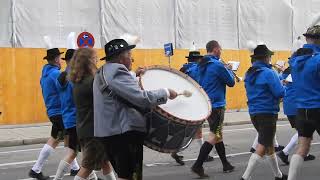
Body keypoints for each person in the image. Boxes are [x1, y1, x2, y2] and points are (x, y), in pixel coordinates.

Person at [93, 39, 178, 180]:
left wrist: (133, 74)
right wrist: (166, 92)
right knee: (132, 175)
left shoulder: (102, 72)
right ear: (121, 57)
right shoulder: (118, 71)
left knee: (124, 175)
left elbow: (117, 89)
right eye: (129, 53)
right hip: (123, 134)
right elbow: (141, 98)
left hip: (108, 132)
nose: (131, 57)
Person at [240, 44, 287, 180]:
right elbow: (279, 92)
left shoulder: (248, 73)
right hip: (267, 112)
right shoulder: (269, 73)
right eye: (269, 56)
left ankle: (278, 175)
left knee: (269, 144)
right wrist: (284, 86)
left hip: (254, 112)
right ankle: (245, 177)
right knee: (262, 146)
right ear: (266, 58)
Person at [191, 40, 235, 178]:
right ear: (216, 49)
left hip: (206, 104)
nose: (221, 51)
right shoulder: (217, 65)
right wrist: (228, 69)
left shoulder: (200, 65)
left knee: (217, 134)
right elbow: (231, 82)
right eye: (220, 49)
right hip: (217, 105)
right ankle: (198, 165)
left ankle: (225, 164)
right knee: (214, 135)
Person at [70, 48, 116, 180]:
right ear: (89, 61)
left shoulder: (79, 81)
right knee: (86, 168)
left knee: (105, 162)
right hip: (94, 131)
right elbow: (111, 93)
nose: (97, 60)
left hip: (84, 128)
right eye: (95, 58)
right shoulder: (93, 81)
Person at [287, 25, 320, 180]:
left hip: (301, 109)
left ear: (307, 39)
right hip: (318, 107)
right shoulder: (318, 59)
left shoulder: (295, 60)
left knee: (302, 148)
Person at [29, 48, 67, 180]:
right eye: (60, 58)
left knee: (56, 140)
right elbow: (65, 89)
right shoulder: (55, 74)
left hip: (52, 111)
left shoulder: (44, 74)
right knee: (72, 140)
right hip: (60, 111)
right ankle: (78, 170)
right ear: (56, 59)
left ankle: (36, 169)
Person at [171, 51, 214, 166]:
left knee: (187, 129)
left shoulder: (182, 69)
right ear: (198, 60)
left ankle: (176, 151)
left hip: (182, 101)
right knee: (194, 129)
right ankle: (202, 154)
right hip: (194, 102)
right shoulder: (197, 70)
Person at [277, 66, 315, 165]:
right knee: (304, 131)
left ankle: (303, 153)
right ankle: (285, 152)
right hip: (296, 105)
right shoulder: (298, 73)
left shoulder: (287, 74)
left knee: (302, 131)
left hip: (289, 105)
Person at [53, 49, 81, 180]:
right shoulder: (73, 78)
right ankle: (57, 178)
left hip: (67, 118)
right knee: (73, 153)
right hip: (76, 119)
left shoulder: (61, 77)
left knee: (83, 154)